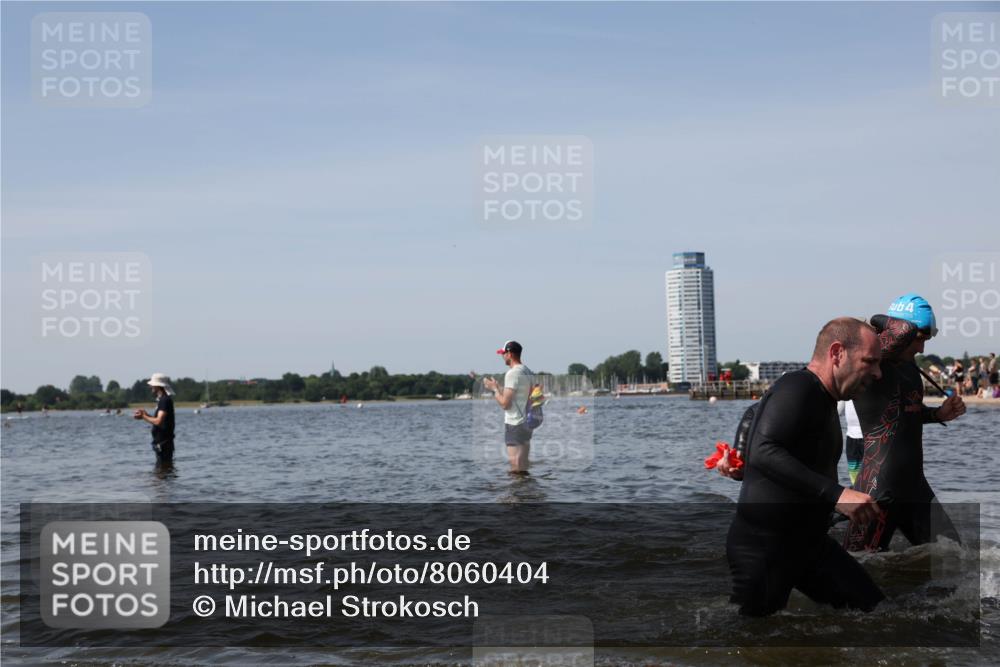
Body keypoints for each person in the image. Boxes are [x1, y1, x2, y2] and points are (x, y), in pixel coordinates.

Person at [726, 317, 885, 617]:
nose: (877, 373)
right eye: (870, 362)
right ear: (837, 353)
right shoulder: (799, 387)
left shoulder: (822, 397)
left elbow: (755, 414)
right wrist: (838, 495)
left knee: (876, 613)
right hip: (765, 548)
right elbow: (765, 449)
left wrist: (739, 460)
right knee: (754, 643)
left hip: (808, 545)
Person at [845, 294, 966, 552]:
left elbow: (904, 412)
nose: (922, 349)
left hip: (913, 484)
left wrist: (937, 415)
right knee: (857, 569)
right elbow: (903, 329)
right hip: (878, 485)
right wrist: (879, 322)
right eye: (919, 339)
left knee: (955, 557)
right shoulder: (875, 359)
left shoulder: (910, 367)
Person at [482, 341, 534, 476]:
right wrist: (498, 387)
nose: (502, 356)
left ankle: (516, 495)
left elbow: (505, 404)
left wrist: (494, 390)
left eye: (503, 354)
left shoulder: (512, 373)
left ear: (510, 354)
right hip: (527, 423)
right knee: (523, 464)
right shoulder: (527, 371)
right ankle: (526, 493)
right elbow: (520, 396)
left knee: (515, 466)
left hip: (514, 423)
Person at [133, 373, 176, 463]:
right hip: (163, 444)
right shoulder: (163, 400)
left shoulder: (164, 400)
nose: (150, 386)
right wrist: (146, 415)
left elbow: (158, 421)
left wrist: (143, 416)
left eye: (152, 384)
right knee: (164, 472)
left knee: (162, 473)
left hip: (164, 445)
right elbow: (160, 421)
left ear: (158, 386)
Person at [838, 400, 864, 485]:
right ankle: (856, 491)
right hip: (851, 437)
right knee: (854, 474)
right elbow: (838, 409)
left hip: (870, 437)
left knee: (871, 470)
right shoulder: (848, 390)